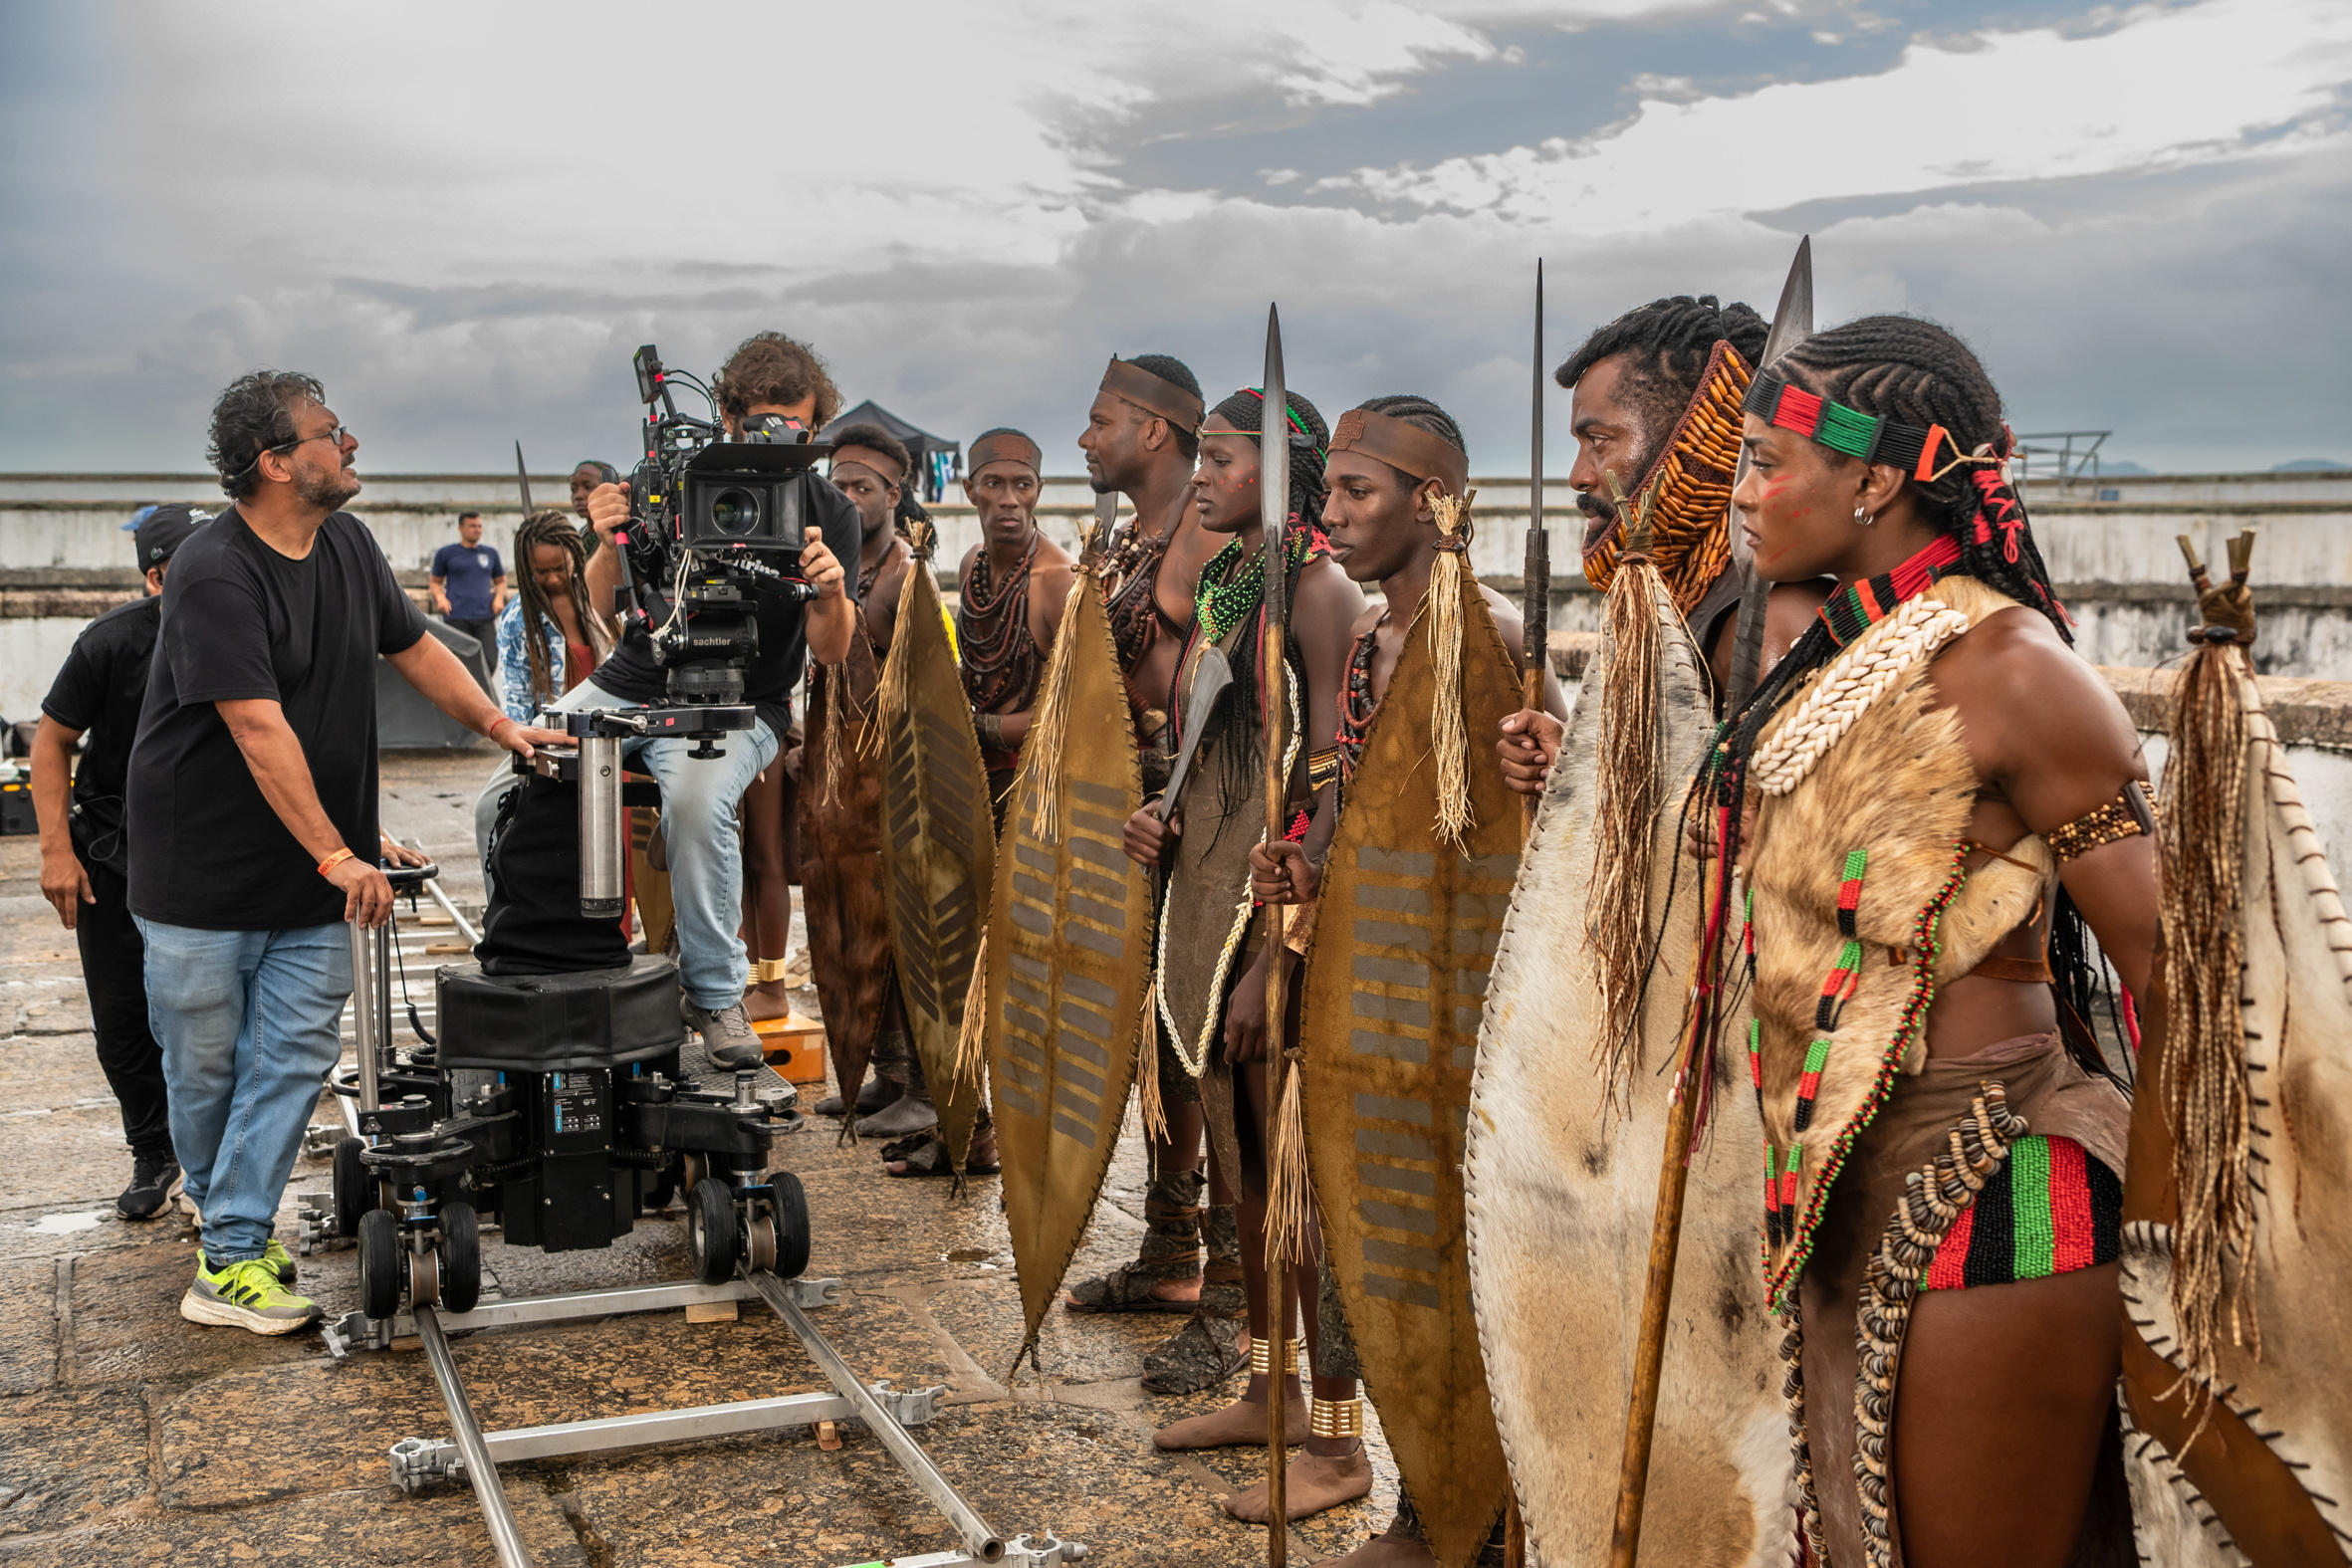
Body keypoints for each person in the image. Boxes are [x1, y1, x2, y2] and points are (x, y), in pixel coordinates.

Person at [1688, 316, 2150, 1565]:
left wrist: (2194, 1242)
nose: (1739, 497)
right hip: (1834, 1172)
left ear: (1875, 478)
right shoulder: (1842, 650)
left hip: (1990, 1188)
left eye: (1761, 464)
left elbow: (2180, 976)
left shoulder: (2010, 670)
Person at [130, 371, 564, 1335]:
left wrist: (504, 726)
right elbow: (255, 727)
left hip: (316, 871)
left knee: (288, 1059)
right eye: (332, 433)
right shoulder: (212, 569)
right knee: (204, 1069)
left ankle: (233, 1250)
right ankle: (226, 1220)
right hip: (199, 877)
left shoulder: (350, 546)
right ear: (278, 463)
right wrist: (340, 851)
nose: (353, 443)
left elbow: (416, 650)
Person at [1248, 398, 1566, 1559]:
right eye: (1327, 492)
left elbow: (1526, 826)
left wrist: (1549, 757)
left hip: (1457, 1018)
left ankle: (1470, 1520)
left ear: (1433, 506)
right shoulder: (1377, 636)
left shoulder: (1484, 640)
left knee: (1456, 1259)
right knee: (1374, 1250)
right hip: (1364, 995)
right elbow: (1358, 800)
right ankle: (1417, 1503)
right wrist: (1305, 856)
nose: (1329, 515)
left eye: (1356, 493)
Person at [1122, 385, 1368, 1516]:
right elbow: (1207, 755)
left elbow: (1333, 771)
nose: (1203, 475)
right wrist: (1159, 818)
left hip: (1273, 926)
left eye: (1222, 458)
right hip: (1207, 906)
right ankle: (1266, 1393)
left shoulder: (1318, 593)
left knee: (1296, 1188)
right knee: (1243, 1171)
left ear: (1281, 472)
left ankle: (1335, 1438)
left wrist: (1284, 952)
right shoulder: (1234, 586)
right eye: (1206, 456)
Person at [579, 331, 860, 1070]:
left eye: (791, 430)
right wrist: (608, 536)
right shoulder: (663, 479)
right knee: (512, 784)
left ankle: (715, 993)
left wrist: (828, 590)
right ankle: (551, 956)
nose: (771, 443)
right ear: (726, 415)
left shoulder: (830, 511)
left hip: (750, 696)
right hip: (637, 674)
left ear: (814, 427)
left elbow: (829, 650)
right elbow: (606, 600)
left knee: (700, 804)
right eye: (756, 424)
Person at [1064, 354, 1234, 1368]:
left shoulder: (1207, 531)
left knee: (1206, 1044)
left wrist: (1182, 801)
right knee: (1162, 1045)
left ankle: (1229, 1296)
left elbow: (1237, 687)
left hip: (1197, 808)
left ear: (1155, 430)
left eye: (1100, 421)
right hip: (1137, 808)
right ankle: (1169, 1247)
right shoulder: (1131, 537)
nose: (1085, 439)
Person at [1494, 295, 1820, 789]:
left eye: (1599, 441)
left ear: (1697, 440)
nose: (1579, 476)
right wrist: (1577, 770)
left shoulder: (1770, 623)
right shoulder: (1678, 599)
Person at [31, 504, 210, 1220]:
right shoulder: (110, 643)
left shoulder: (247, 632)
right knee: (122, 1018)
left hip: (209, 858)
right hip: (114, 855)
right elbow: (51, 743)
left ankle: (212, 1162)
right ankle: (152, 1148)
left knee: (207, 1021)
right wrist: (56, 851)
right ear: (157, 575)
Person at [797, 424, 920, 1125]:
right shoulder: (839, 574)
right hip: (843, 784)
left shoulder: (907, 574)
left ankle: (921, 1090)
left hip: (894, 782)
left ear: (893, 495)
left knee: (898, 938)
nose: (847, 497)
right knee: (851, 930)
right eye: (838, 485)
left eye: (862, 488)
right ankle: (887, 1071)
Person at [955, 428, 1076, 811]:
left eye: (1022, 485)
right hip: (971, 769)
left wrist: (984, 727)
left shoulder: (1058, 578)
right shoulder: (972, 564)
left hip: (1036, 781)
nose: (1009, 500)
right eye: (993, 484)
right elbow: (975, 665)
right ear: (970, 490)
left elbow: (1078, 705)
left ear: (1038, 490)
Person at [428, 510, 509, 670]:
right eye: (472, 526)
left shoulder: (490, 553)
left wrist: (499, 598)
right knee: (459, 664)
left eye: (479, 526)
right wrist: (440, 598)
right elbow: (435, 582)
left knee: (490, 662)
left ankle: (481, 693)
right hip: (456, 616)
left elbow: (501, 582)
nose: (477, 529)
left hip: (484, 617)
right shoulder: (446, 553)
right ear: (461, 528)